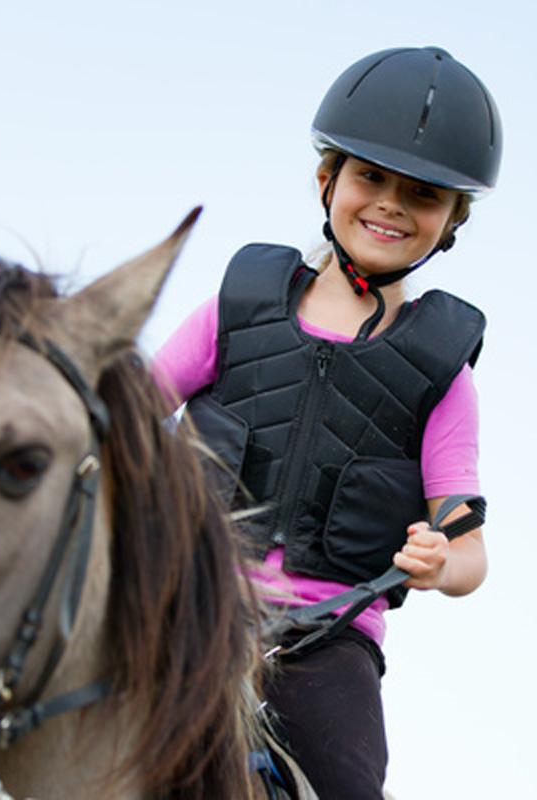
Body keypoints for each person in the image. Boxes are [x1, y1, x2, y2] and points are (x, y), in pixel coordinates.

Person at [152, 46, 502, 799]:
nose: (390, 205)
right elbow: (122, 416)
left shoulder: (442, 373)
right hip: (187, 601)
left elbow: (469, 549)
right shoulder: (235, 312)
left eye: (423, 194)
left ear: (450, 223)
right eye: (370, 177)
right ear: (327, 182)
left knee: (346, 784)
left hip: (323, 642)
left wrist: (443, 564)